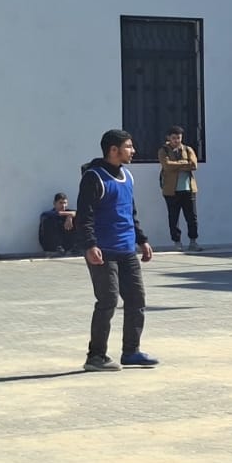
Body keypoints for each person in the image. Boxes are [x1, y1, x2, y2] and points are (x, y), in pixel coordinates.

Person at [76, 129, 159, 372]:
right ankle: (96, 356)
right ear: (113, 150)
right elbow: (84, 216)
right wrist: (90, 245)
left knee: (136, 299)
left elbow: (129, 212)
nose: (133, 151)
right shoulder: (94, 177)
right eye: (129, 147)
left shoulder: (127, 176)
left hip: (127, 250)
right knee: (108, 301)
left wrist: (142, 240)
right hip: (103, 251)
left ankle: (131, 352)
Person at [158, 126, 200, 252]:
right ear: (168, 138)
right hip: (171, 190)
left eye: (179, 138)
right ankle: (177, 242)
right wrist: (184, 163)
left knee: (192, 217)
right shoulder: (163, 151)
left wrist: (176, 165)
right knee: (173, 217)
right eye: (174, 138)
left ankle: (193, 241)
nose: (176, 140)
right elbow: (167, 166)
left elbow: (194, 165)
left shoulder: (188, 149)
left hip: (188, 189)